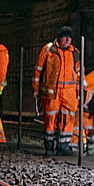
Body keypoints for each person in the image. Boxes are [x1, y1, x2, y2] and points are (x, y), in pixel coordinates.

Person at [33, 25, 81, 155]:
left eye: (69, 37)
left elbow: (79, 72)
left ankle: (63, 146)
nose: (67, 40)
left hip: (69, 91)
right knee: (50, 118)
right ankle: (49, 146)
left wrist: (79, 88)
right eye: (64, 37)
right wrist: (36, 89)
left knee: (68, 118)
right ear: (59, 38)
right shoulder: (49, 50)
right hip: (52, 90)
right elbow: (38, 70)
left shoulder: (75, 53)